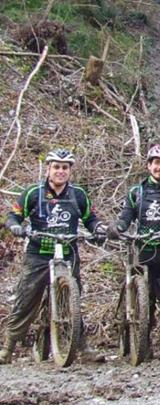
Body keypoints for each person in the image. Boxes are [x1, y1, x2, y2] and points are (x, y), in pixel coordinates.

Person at [1, 148, 106, 364]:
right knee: (26, 299)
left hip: (68, 252)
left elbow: (91, 219)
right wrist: (15, 227)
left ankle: (83, 348)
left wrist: (99, 228)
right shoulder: (33, 193)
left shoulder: (78, 195)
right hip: (39, 253)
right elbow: (13, 216)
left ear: (70, 171)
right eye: (56, 167)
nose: (60, 171)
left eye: (64, 167)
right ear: (48, 169)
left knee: (73, 299)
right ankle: (8, 347)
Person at [106, 144, 160, 358]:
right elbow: (126, 217)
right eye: (157, 163)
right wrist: (118, 227)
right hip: (141, 252)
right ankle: (143, 344)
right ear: (149, 165)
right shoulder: (137, 192)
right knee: (143, 302)